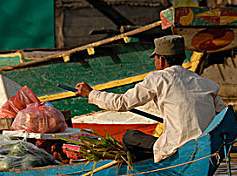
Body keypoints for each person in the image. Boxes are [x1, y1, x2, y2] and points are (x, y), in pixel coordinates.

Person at [75, 35, 226, 163]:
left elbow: (122, 103)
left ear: (161, 60)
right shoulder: (206, 83)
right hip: (206, 147)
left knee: (129, 136)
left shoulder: (158, 78)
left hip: (176, 146)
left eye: (156, 59)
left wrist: (91, 94)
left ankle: (149, 166)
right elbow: (224, 114)